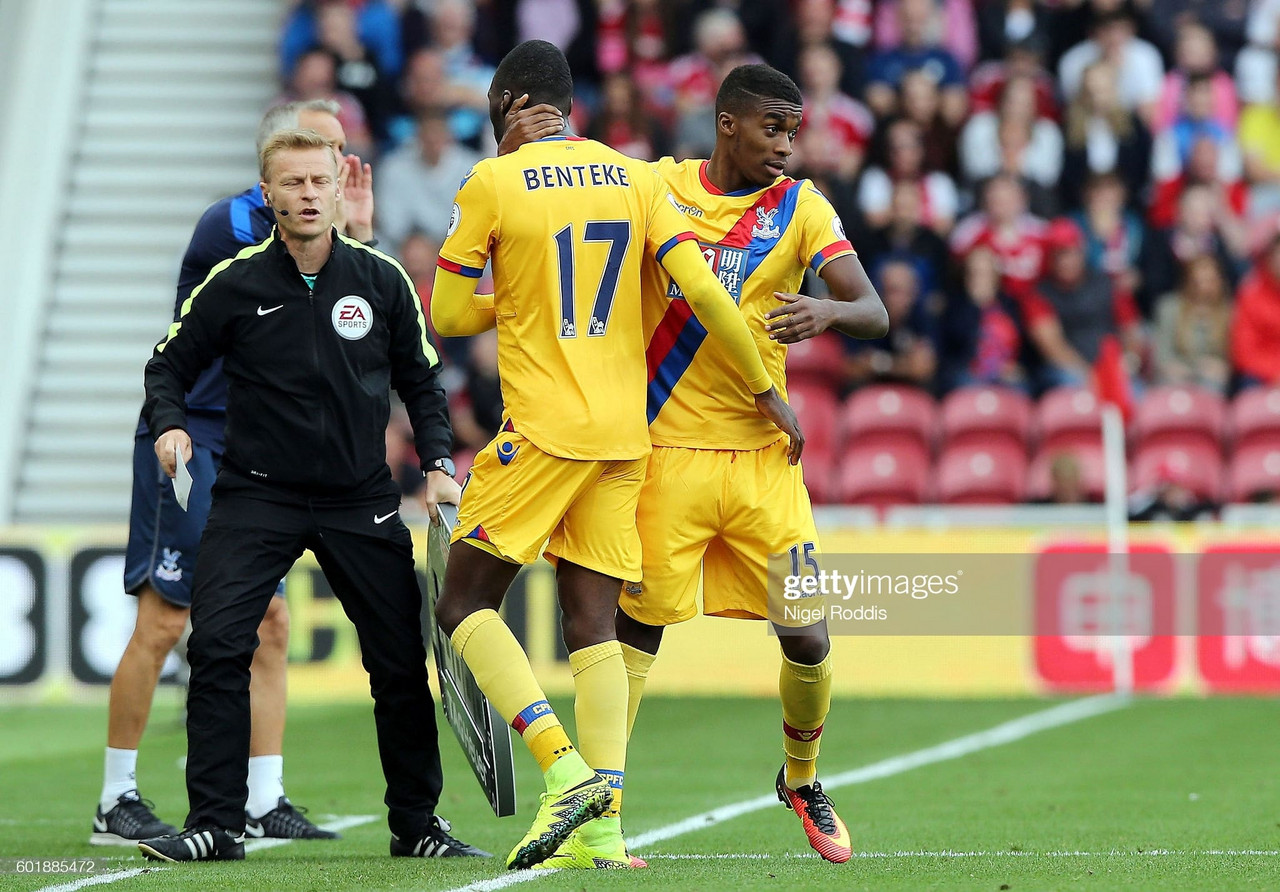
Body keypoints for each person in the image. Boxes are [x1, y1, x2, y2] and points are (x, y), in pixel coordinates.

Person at [429, 40, 801, 871]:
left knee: (460, 605)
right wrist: (764, 389)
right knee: (591, 624)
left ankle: (563, 770)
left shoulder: (493, 181)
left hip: (544, 431)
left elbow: (449, 314)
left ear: (511, 105)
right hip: (626, 436)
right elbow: (704, 290)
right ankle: (603, 832)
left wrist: (521, 295)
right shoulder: (638, 178)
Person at [134, 127, 485, 862]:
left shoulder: (381, 278)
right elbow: (166, 365)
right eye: (291, 184)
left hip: (361, 498)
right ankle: (214, 823)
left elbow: (421, 379)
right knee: (222, 647)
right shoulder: (233, 282)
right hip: (255, 496)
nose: (306, 195)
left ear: (336, 188)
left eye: (318, 182)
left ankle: (417, 827)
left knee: (397, 662)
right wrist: (171, 427)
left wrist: (439, 461)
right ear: (269, 195)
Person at [612, 64, 887, 866]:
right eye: (773, 128)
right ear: (727, 123)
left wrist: (828, 310)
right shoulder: (658, 187)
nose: (785, 146)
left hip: (767, 461)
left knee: (807, 638)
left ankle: (801, 779)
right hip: (669, 453)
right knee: (639, 631)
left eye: (793, 132)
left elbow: (874, 309)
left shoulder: (802, 207)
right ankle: (604, 802)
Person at [95, 100, 368, 848]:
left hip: (253, 456)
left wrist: (362, 241)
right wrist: (355, 236)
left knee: (271, 624)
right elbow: (294, 274)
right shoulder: (234, 225)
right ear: (277, 163)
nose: (334, 171)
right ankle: (115, 797)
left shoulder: (326, 233)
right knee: (164, 618)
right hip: (189, 439)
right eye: (319, 153)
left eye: (340, 156)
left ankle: (262, 796)